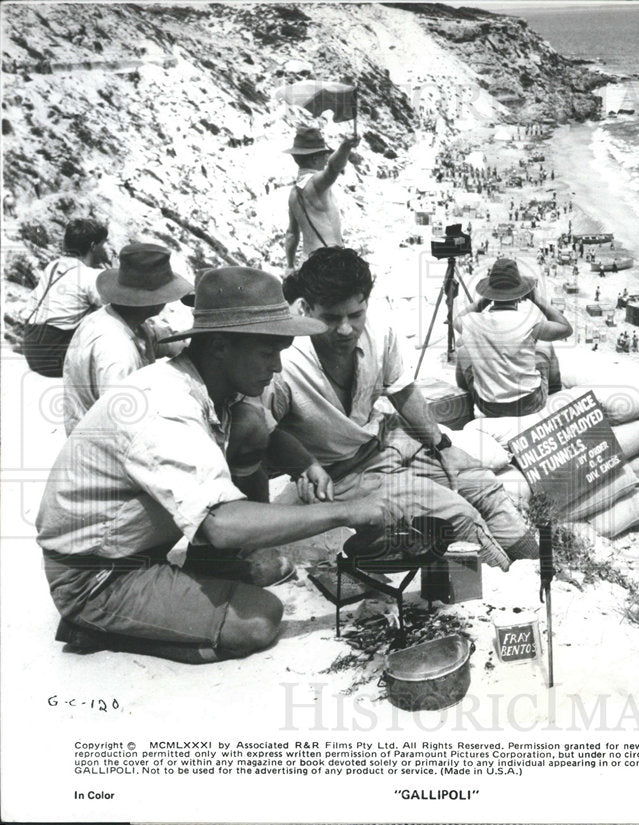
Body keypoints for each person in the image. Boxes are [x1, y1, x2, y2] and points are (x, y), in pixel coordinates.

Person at [36, 266, 388, 664]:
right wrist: (345, 511)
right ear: (221, 346)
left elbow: (265, 433)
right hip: (97, 576)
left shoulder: (210, 384)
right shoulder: (165, 407)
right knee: (259, 621)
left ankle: (214, 568)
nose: (276, 367)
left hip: (135, 550)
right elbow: (220, 524)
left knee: (252, 425)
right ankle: (90, 624)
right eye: (267, 352)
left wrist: (304, 463)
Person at [268, 248, 540, 569]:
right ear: (305, 308)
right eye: (331, 318)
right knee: (460, 517)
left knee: (484, 485)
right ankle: (509, 587)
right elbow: (261, 435)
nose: (345, 329)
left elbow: (402, 391)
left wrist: (441, 444)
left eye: (355, 315)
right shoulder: (283, 361)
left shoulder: (379, 331)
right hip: (344, 473)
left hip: (390, 441)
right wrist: (303, 466)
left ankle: (539, 571)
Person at [61, 243, 191, 435]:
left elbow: (155, 339)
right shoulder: (117, 350)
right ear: (155, 300)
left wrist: (185, 344)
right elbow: (123, 422)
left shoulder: (116, 319)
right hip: (103, 447)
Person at [455, 258, 572, 419]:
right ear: (520, 294)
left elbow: (456, 320)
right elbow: (566, 328)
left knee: (462, 352)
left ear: (490, 293)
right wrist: (537, 299)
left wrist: (484, 300)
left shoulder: (473, 321)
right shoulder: (530, 321)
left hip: (488, 406)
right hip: (530, 403)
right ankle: (555, 392)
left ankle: (463, 406)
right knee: (545, 345)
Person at [21, 218, 112, 377]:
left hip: (31, 347)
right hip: (53, 357)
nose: (106, 251)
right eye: (103, 245)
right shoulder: (89, 276)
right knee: (108, 319)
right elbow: (111, 308)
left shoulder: (54, 265)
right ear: (93, 246)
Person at [283, 127, 360, 275]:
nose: (326, 159)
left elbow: (291, 234)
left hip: (307, 265)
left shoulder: (293, 193)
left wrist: (290, 265)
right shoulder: (316, 184)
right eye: (324, 155)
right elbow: (333, 168)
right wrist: (346, 145)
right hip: (329, 264)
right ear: (314, 159)